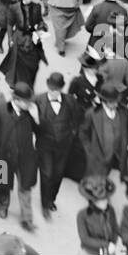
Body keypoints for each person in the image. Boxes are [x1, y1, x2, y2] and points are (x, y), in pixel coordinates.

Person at [0, 81, 40, 231]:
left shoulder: (31, 112)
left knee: (25, 186)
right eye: (26, 102)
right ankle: (3, 205)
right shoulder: (0, 110)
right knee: (3, 184)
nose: (29, 104)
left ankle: (27, 219)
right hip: (3, 155)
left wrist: (37, 119)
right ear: (16, 100)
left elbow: (42, 131)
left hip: (25, 157)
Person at [35, 72, 80, 220]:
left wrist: (71, 135)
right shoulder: (38, 101)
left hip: (64, 145)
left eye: (57, 90)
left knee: (58, 174)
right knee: (47, 174)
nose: (54, 92)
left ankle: (52, 199)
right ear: (48, 86)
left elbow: (76, 119)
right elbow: (33, 122)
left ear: (61, 89)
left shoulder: (70, 101)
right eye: (51, 89)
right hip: (45, 145)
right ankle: (45, 203)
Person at [80, 81, 128, 180]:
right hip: (99, 156)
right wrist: (89, 150)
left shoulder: (124, 111)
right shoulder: (91, 114)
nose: (116, 104)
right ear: (104, 101)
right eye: (112, 102)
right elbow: (83, 133)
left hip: (117, 153)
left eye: (117, 101)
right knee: (98, 182)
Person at [76, 175, 124, 255]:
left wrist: (113, 243)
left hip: (109, 251)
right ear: (93, 202)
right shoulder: (82, 215)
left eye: (106, 199)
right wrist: (106, 244)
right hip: (89, 252)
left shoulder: (110, 210)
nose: (105, 203)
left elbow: (115, 228)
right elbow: (85, 239)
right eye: (101, 201)